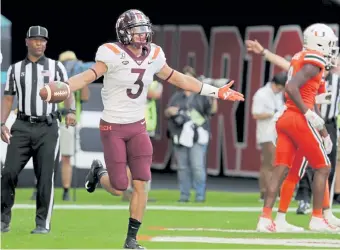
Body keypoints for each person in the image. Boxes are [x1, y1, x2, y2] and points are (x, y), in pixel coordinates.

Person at [46, 9, 244, 249]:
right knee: (119, 187)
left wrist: (215, 91)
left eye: (144, 30)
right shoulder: (110, 53)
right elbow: (88, 77)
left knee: (141, 182)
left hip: (138, 127)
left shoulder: (155, 55)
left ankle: (131, 239)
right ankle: (99, 173)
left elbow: (179, 78)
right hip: (113, 127)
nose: (142, 35)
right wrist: (65, 87)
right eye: (136, 31)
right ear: (123, 33)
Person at [252, 23, 340, 232]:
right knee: (323, 167)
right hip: (299, 118)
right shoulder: (314, 60)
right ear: (319, 43)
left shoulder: (301, 58)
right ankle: (318, 217)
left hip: (288, 117)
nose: (332, 49)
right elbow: (292, 89)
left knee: (284, 170)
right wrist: (309, 114)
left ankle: (270, 219)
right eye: (329, 44)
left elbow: (311, 97)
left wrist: (324, 130)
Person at [1, 26, 76, 234]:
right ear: (26, 42)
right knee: (8, 172)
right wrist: (2, 123)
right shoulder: (15, 69)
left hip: (48, 126)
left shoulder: (56, 67)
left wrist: (70, 111)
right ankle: (3, 217)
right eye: (35, 40)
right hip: (22, 126)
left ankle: (42, 223)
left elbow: (67, 91)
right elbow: (8, 98)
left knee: (45, 176)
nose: (40, 43)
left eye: (43, 40)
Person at [30, 51, 92, 201]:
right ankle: (39, 188)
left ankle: (66, 191)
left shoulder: (77, 80)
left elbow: (85, 98)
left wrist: (83, 79)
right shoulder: (52, 78)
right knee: (44, 156)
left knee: (66, 157)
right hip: (50, 119)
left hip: (68, 123)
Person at [252, 72, 286, 201]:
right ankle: (265, 191)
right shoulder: (261, 94)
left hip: (277, 133)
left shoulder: (278, 95)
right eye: (279, 88)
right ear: (273, 84)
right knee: (269, 163)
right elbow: (255, 114)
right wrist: (273, 113)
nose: (280, 91)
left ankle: (273, 190)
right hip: (266, 133)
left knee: (276, 163)